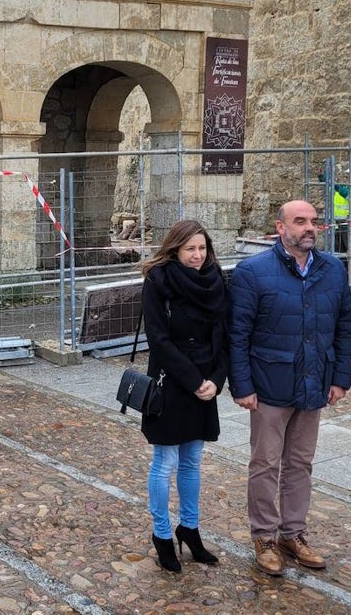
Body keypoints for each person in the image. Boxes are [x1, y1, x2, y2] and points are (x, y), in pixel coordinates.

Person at [228, 200, 351, 577]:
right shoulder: (253, 272)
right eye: (300, 221)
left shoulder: (333, 270)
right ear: (280, 228)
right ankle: (264, 536)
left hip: (314, 383)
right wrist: (242, 385)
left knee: (300, 463)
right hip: (270, 384)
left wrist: (340, 378)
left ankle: (293, 533)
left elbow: (345, 328)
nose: (309, 228)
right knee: (265, 463)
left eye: (314, 221)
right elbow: (238, 334)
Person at [139, 219, 230, 573]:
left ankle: (189, 529)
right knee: (165, 463)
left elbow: (224, 334)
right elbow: (158, 339)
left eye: (202, 248)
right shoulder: (158, 281)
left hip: (206, 382)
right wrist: (193, 380)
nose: (197, 255)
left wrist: (216, 380)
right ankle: (162, 534)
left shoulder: (218, 282)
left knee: (193, 460)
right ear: (175, 249)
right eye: (190, 248)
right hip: (172, 380)